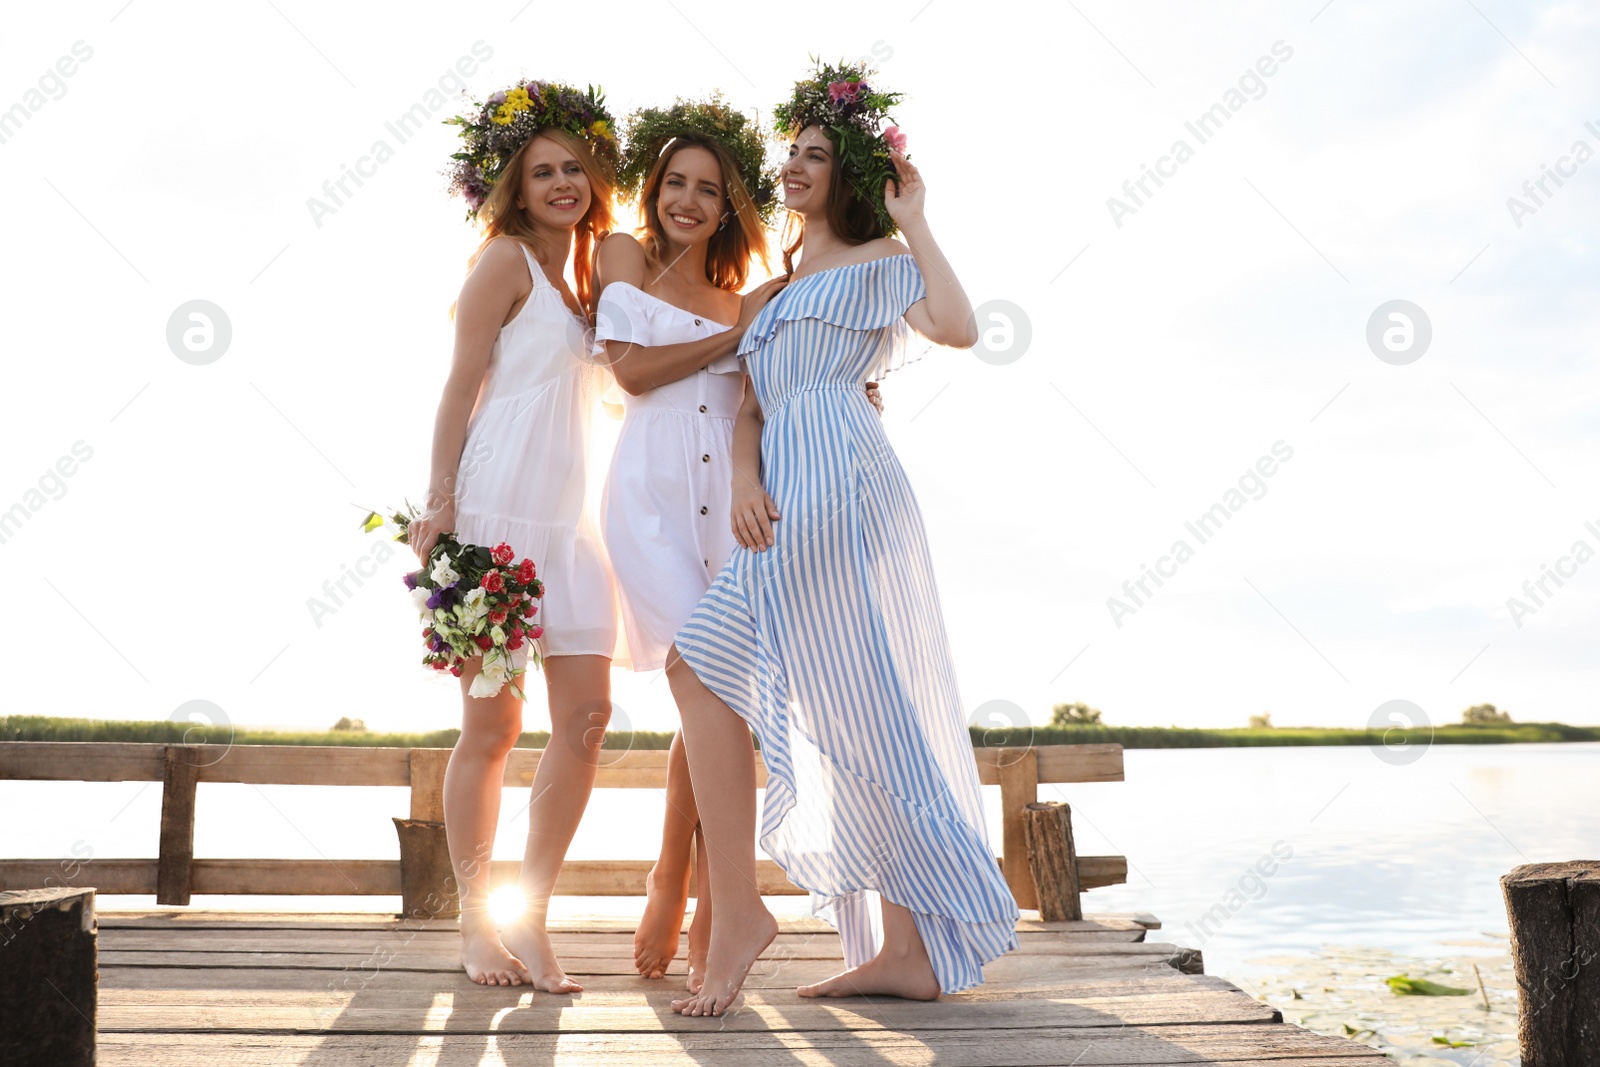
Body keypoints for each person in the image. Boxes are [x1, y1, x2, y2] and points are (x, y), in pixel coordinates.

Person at [666, 64, 1020, 1018]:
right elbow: (748, 408)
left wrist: (916, 219)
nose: (793, 166)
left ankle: (885, 937)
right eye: (792, 151)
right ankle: (886, 942)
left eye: (815, 155)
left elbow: (958, 326)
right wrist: (743, 478)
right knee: (722, 670)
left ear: (851, 177)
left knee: (828, 690)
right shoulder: (778, 289)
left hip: (843, 479)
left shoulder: (880, 260)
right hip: (781, 480)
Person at [593, 98, 883, 990]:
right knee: (699, 672)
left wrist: (841, 388)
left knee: (722, 695)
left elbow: (778, 384)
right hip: (649, 492)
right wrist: (741, 328)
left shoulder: (745, 289)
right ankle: (714, 894)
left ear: (729, 207)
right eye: (675, 183)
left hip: (733, 496)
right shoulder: (626, 257)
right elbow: (632, 370)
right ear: (654, 191)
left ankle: (696, 895)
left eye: (707, 189)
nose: (688, 199)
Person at [407, 80, 623, 991]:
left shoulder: (592, 282)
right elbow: (459, 387)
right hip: (494, 524)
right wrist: (439, 499)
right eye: (544, 171)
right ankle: (475, 926)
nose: (563, 182)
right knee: (492, 727)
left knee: (585, 722)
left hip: (572, 529)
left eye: (575, 167)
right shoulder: (503, 262)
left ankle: (531, 916)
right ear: (516, 185)